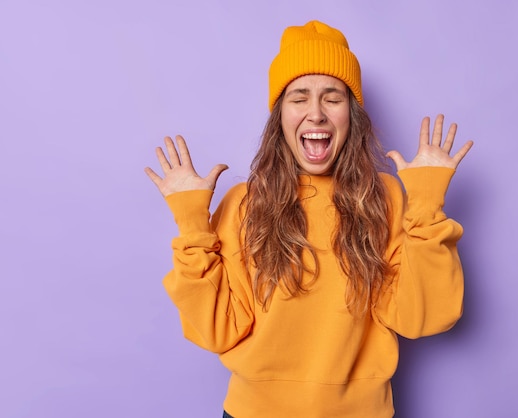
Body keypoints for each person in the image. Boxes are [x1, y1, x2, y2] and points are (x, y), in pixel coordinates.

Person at [145, 20, 473, 418]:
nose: (315, 114)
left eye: (331, 98)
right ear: (279, 116)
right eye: (299, 97)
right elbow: (218, 329)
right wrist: (193, 226)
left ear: (351, 115)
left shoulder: (382, 198)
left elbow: (423, 317)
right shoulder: (243, 203)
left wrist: (426, 205)